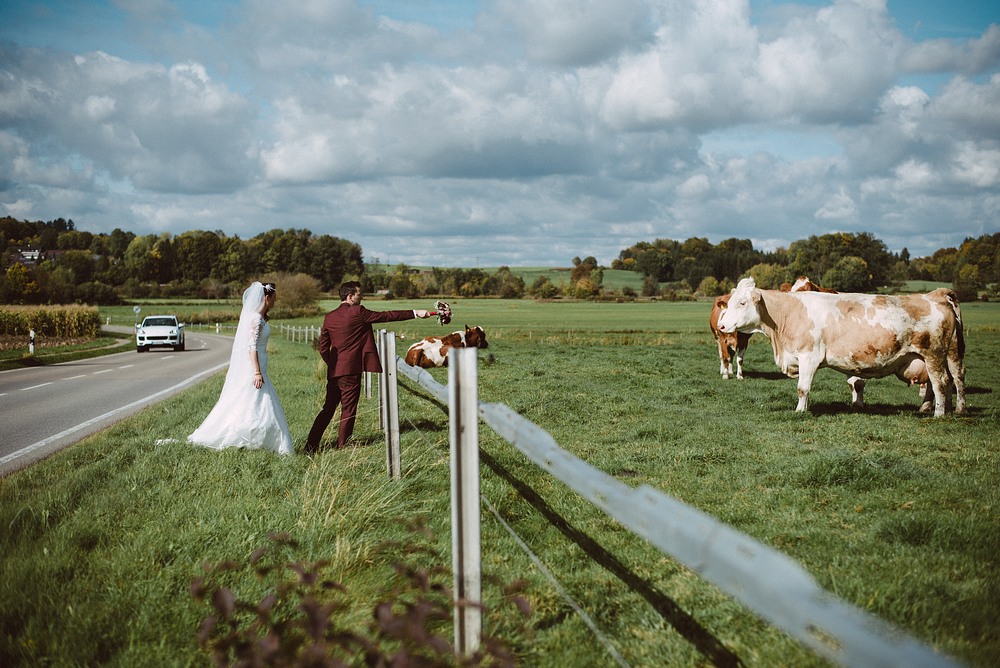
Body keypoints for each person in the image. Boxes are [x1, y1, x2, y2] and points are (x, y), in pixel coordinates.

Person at [306, 281, 430, 452]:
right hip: (350, 371)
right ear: (350, 296)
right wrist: (416, 313)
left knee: (328, 409)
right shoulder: (358, 312)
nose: (361, 297)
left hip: (334, 371)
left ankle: (310, 446)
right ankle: (343, 446)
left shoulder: (329, 317)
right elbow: (387, 316)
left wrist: (334, 364)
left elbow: (323, 348)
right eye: (359, 294)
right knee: (348, 409)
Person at [188, 281, 294, 455]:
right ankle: (254, 439)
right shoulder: (255, 319)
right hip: (255, 368)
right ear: (266, 298)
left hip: (260, 366)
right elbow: (251, 347)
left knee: (253, 402)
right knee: (254, 401)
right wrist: (257, 372)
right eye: (274, 298)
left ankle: (256, 440)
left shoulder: (258, 317)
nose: (275, 301)